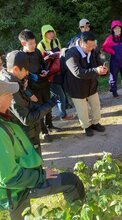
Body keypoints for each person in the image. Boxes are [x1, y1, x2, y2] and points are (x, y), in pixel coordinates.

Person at [0, 79, 85, 220]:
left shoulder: (5, 118)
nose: (11, 96)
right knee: (72, 181)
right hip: (17, 189)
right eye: (7, 93)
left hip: (20, 183)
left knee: (19, 212)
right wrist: (40, 176)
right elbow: (10, 178)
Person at [0, 50, 58, 156]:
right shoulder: (10, 89)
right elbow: (27, 119)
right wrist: (49, 104)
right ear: (16, 69)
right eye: (26, 70)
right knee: (34, 162)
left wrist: (41, 105)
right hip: (25, 137)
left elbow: (26, 104)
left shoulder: (15, 79)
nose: (27, 73)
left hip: (29, 133)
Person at [18, 29, 61, 143]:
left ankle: (50, 124)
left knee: (48, 103)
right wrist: (28, 92)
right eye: (30, 44)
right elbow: (20, 76)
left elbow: (43, 63)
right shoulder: (20, 56)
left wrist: (45, 70)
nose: (33, 45)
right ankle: (44, 131)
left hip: (44, 83)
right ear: (23, 43)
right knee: (38, 108)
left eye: (34, 42)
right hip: (32, 87)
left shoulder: (37, 51)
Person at [64, 32, 108, 136]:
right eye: (90, 46)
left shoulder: (92, 51)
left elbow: (98, 63)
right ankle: (86, 126)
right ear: (81, 43)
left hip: (91, 84)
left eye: (93, 45)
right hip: (76, 87)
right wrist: (96, 70)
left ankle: (95, 122)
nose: (92, 48)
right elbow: (78, 72)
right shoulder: (71, 54)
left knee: (96, 105)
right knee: (82, 109)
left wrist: (103, 69)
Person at [37, 24, 74, 121]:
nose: (51, 34)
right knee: (59, 95)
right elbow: (40, 61)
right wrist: (49, 57)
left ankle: (53, 115)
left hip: (59, 71)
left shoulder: (56, 41)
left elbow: (60, 55)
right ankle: (62, 115)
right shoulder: (41, 45)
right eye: (48, 32)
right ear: (44, 34)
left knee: (59, 94)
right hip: (49, 75)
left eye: (52, 31)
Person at [102, 20, 122, 97]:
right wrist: (112, 51)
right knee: (113, 75)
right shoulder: (109, 38)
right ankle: (114, 91)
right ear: (112, 30)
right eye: (115, 29)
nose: (117, 30)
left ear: (121, 29)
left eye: (119, 28)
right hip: (114, 61)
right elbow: (104, 47)